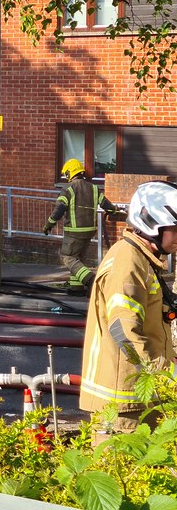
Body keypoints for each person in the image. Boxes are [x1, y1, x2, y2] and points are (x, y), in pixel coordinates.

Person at [80, 180, 177, 444]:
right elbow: (123, 330)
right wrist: (165, 374)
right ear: (153, 224)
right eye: (176, 228)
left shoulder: (141, 258)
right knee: (124, 467)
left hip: (135, 399)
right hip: (122, 407)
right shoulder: (128, 262)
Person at [43, 159, 121, 294]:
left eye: (66, 174)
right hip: (89, 230)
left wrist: (49, 224)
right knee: (78, 259)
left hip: (74, 231)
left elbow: (59, 209)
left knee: (68, 258)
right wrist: (115, 211)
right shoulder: (93, 188)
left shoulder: (68, 189)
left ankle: (90, 280)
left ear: (70, 173)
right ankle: (77, 288)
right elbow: (106, 205)